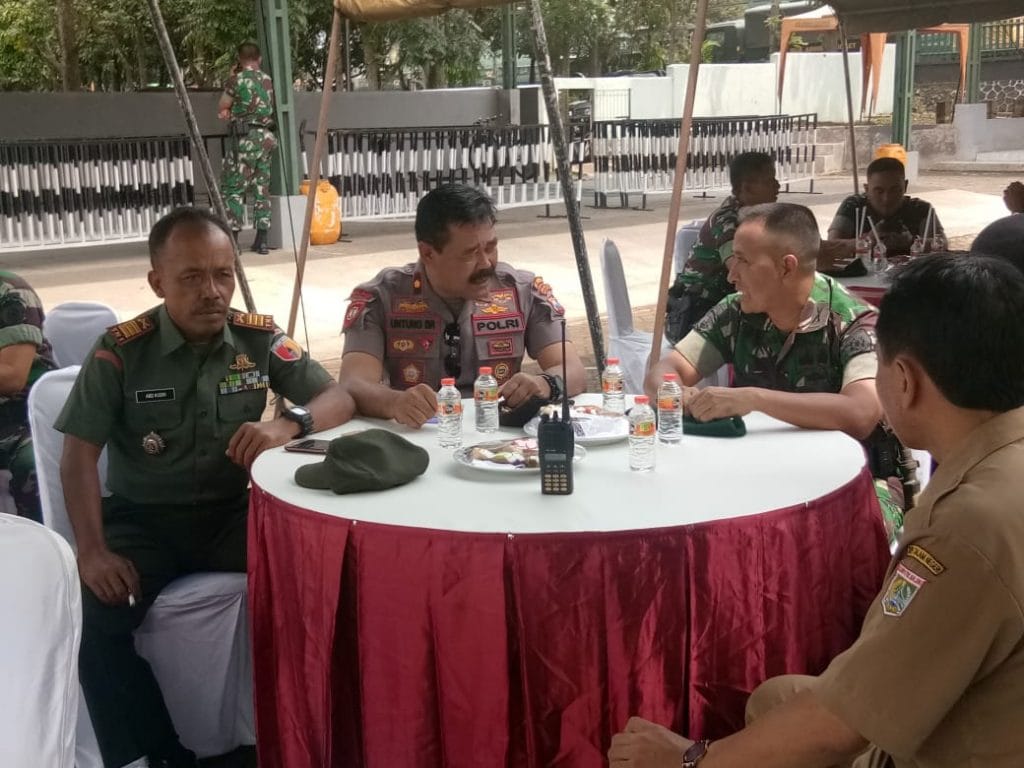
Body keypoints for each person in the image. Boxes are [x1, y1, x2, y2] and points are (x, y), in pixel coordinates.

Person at [610, 252, 1024, 768]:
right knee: (775, 697)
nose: (734, 272)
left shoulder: (966, 530)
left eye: (743, 260)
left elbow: (842, 726)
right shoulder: (996, 469)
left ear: (903, 380)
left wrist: (692, 759)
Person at [56, 207, 355, 768]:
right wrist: (91, 551)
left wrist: (287, 425)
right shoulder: (119, 350)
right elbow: (78, 457)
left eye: (222, 274)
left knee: (322, 580)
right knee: (91, 618)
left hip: (232, 516)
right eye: (192, 277)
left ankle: (300, 732)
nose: (212, 292)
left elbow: (337, 396)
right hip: (143, 522)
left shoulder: (257, 338)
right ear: (158, 282)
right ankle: (158, 753)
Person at [647, 202, 910, 540]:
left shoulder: (854, 323)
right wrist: (674, 392)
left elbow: (860, 413)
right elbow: (666, 369)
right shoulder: (737, 311)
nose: (731, 275)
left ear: (787, 267)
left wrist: (754, 399)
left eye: (743, 260)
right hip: (761, 472)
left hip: (850, 484)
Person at [339, 184, 586, 428]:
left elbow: (574, 370)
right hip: (416, 436)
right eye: (470, 253)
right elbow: (352, 383)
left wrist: (545, 383)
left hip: (499, 437)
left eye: (491, 248)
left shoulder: (522, 291)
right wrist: (395, 403)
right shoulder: (381, 297)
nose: (486, 263)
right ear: (428, 253)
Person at [666, 151, 780, 342]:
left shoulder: (758, 217)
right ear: (747, 188)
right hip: (695, 316)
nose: (777, 186)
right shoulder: (727, 221)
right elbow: (739, 268)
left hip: (724, 307)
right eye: (769, 181)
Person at [819, 157, 945, 273]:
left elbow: (943, 245)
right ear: (867, 189)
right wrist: (867, 241)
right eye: (879, 191)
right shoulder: (854, 206)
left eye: (894, 190)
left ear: (905, 186)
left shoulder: (921, 209)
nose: (887, 198)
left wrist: (911, 242)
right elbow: (831, 245)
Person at [0, 270, 56, 523]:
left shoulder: (11, 291)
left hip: (21, 416)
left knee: (31, 464)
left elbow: (12, 376)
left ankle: (42, 540)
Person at [218, 42, 277, 255]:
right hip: (265, 138)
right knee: (262, 188)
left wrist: (232, 76)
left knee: (233, 188)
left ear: (239, 59)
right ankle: (262, 241)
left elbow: (223, 105)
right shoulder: (267, 79)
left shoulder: (236, 79)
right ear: (259, 58)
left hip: (244, 140)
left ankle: (234, 241)